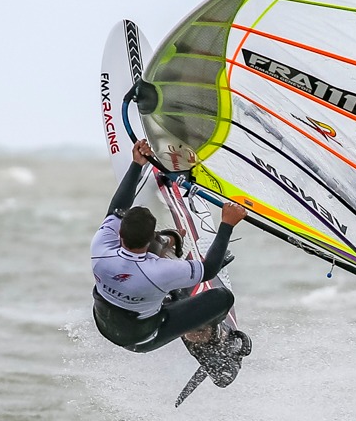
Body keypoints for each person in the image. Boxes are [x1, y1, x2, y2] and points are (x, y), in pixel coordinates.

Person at [91, 140, 246, 353]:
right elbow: (209, 269)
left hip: (104, 323)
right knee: (222, 298)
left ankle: (170, 243)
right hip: (145, 337)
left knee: (150, 269)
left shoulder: (100, 247)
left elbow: (117, 209)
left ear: (119, 233)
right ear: (150, 238)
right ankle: (205, 335)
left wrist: (137, 164)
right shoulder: (161, 271)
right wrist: (227, 224)